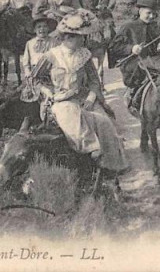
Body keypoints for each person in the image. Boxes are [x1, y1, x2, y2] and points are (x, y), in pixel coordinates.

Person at [28, 11, 128, 173]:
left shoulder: (84, 55)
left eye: (83, 37)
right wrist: (47, 92)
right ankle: (91, 148)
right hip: (60, 99)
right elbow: (34, 79)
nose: (83, 40)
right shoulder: (51, 56)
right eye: (80, 37)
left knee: (103, 121)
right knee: (71, 114)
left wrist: (92, 96)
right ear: (68, 38)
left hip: (82, 96)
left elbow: (94, 80)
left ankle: (112, 164)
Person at [20, 14, 59, 103]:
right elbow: (26, 62)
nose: (42, 29)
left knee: (51, 95)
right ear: (34, 30)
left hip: (50, 75)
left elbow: (58, 60)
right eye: (39, 27)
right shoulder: (30, 43)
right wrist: (27, 72)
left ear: (48, 28)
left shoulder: (54, 42)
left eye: (45, 26)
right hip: (34, 75)